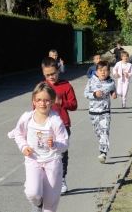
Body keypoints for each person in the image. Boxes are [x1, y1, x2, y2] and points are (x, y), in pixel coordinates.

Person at [8, 82, 69, 212]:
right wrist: (24, 147)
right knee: (33, 193)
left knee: (51, 199)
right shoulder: (27, 118)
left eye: (46, 100)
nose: (43, 103)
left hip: (52, 161)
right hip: (33, 160)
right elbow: (18, 133)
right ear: (34, 101)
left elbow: (65, 143)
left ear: (52, 101)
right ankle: (37, 203)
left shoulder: (55, 121)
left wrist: (54, 145)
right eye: (39, 100)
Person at [42, 57, 77, 193]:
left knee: (61, 153)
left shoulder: (66, 86)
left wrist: (61, 102)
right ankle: (47, 180)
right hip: (45, 126)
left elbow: (74, 105)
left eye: (53, 73)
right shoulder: (42, 87)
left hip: (63, 125)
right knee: (46, 153)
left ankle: (61, 179)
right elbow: (35, 106)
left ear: (58, 70)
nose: (51, 77)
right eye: (48, 75)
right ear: (43, 73)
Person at [84, 61, 117, 164]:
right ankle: (102, 144)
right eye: (100, 70)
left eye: (105, 70)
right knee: (98, 132)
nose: (103, 72)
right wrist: (94, 94)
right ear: (96, 72)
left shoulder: (111, 82)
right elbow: (86, 94)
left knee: (104, 131)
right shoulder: (91, 81)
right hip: (93, 111)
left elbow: (113, 90)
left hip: (105, 111)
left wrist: (113, 94)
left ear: (109, 72)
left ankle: (103, 153)